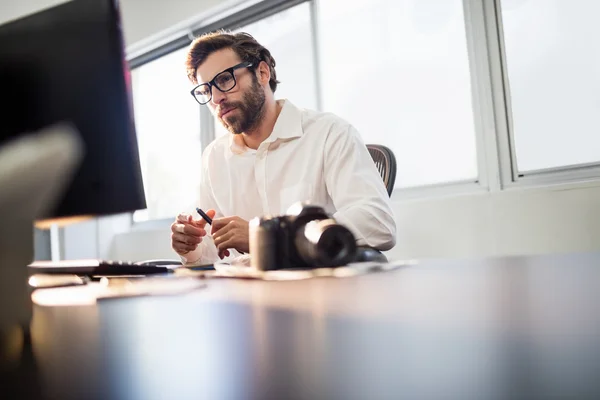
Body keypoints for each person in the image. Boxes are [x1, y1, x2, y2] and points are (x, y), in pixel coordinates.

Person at [170, 31, 396, 265]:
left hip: (318, 290)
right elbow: (213, 256)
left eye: (225, 80)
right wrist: (191, 246)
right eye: (206, 90)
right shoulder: (214, 157)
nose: (216, 98)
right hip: (244, 293)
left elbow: (377, 223)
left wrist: (266, 237)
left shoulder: (329, 133)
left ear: (262, 72)